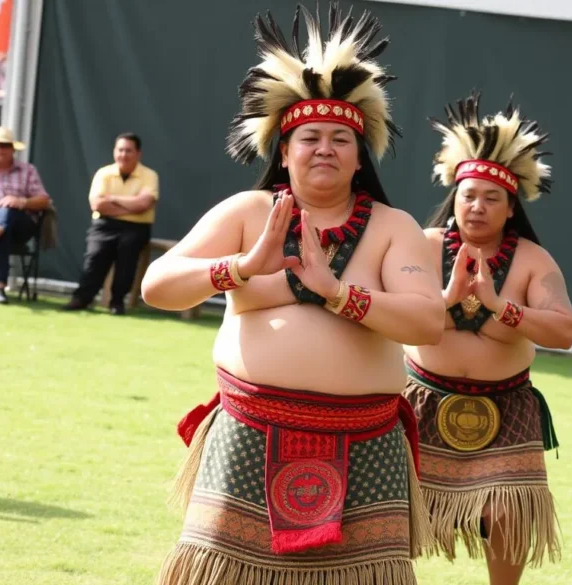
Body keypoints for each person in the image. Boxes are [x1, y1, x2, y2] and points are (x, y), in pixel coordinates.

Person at [142, 5, 443, 584]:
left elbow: (427, 322)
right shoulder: (248, 212)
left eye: (339, 138)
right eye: (309, 137)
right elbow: (158, 286)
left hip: (365, 442)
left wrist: (336, 293)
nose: (324, 148)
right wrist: (241, 267)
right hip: (250, 432)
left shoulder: (392, 227)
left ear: (360, 157)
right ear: (284, 151)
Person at [402, 91, 572, 585]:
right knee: (400, 506)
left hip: (506, 405)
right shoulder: (425, 245)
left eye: (491, 198)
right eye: (468, 196)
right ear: (452, 198)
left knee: (508, 514)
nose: (477, 207)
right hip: (422, 398)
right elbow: (397, 312)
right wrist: (448, 298)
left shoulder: (533, 261)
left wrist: (500, 308)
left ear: (510, 206)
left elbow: (562, 330)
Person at [62, 133, 159, 314]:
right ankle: (82, 298)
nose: (123, 154)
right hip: (103, 225)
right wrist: (132, 206)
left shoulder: (150, 175)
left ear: (138, 153)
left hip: (136, 228)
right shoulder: (103, 173)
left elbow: (145, 204)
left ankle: (117, 302)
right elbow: (97, 204)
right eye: (120, 150)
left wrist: (112, 199)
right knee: (95, 254)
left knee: (128, 254)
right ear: (115, 152)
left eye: (128, 150)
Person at [0, 126, 51, 304]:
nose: (0, 149)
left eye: (5, 145)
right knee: (2, 231)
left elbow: (44, 200)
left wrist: (21, 201)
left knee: (7, 208)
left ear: (13, 149)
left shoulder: (28, 170)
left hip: (20, 223)